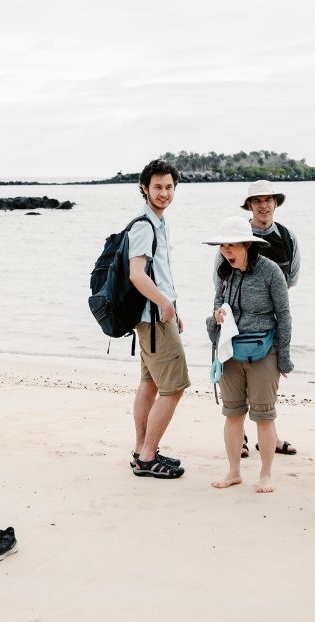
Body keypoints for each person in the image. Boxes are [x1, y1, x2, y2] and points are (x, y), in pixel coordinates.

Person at [205, 216, 293, 493]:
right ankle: (234, 472)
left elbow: (285, 315)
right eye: (223, 246)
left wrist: (284, 358)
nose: (226, 251)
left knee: (264, 416)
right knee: (232, 414)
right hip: (230, 351)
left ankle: (265, 475)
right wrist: (217, 313)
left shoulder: (270, 272)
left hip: (264, 350)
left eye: (232, 245)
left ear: (247, 244)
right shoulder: (224, 270)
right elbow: (218, 302)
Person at [217, 180, 300, 457]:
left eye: (268, 200)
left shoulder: (288, 238)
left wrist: (269, 301)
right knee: (236, 396)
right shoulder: (232, 239)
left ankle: (270, 438)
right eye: (257, 201)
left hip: (268, 325)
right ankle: (239, 438)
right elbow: (219, 286)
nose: (263, 205)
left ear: (275, 203)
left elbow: (292, 279)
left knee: (266, 392)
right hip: (233, 328)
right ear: (249, 205)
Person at [128, 159, 189, 479]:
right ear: (144, 189)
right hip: (153, 319)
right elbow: (137, 275)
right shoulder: (143, 226)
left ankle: (141, 450)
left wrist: (173, 308)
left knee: (150, 383)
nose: (164, 193)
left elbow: (159, 274)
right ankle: (148, 455)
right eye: (157, 187)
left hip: (154, 315)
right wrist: (165, 305)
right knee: (175, 387)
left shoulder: (158, 224)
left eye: (169, 187)